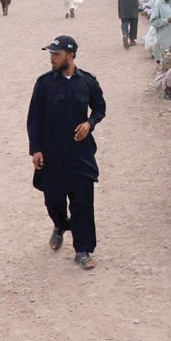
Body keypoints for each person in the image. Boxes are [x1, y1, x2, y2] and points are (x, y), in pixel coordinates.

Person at [27, 35, 106, 271]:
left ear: (70, 55)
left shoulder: (88, 82)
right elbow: (33, 120)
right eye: (51, 54)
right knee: (54, 202)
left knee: (83, 203)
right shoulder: (44, 84)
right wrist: (36, 149)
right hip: (52, 156)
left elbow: (100, 108)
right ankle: (60, 225)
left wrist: (90, 123)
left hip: (80, 155)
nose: (52, 58)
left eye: (56, 54)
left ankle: (83, 250)